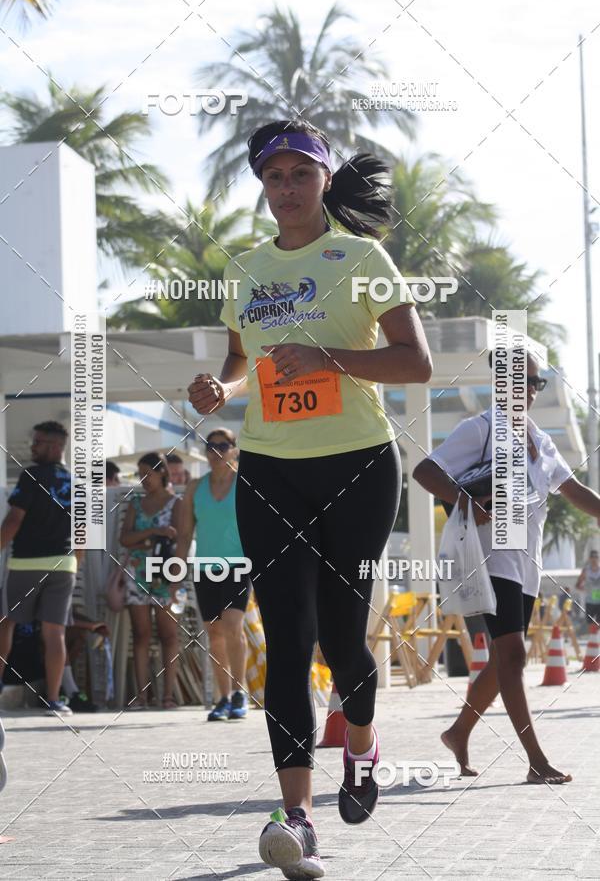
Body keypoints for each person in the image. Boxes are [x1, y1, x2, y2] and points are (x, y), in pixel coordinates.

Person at [188, 119, 432, 880]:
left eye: (300, 174)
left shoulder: (362, 258)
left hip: (359, 466)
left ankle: (360, 743)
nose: (286, 189)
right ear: (262, 189)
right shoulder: (248, 269)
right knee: (287, 641)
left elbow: (415, 364)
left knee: (341, 637)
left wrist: (329, 356)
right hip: (271, 467)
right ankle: (296, 817)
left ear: (324, 181)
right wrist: (217, 389)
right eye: (274, 178)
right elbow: (239, 360)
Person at [413, 350, 600, 784]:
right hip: (490, 558)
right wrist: (466, 499)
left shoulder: (543, 440)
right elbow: (425, 471)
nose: (530, 391)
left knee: (501, 660)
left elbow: (572, 489)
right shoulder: (478, 430)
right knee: (513, 655)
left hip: (525, 564)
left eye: (536, 383)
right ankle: (535, 759)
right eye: (522, 382)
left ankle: (458, 732)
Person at [0, 421, 82, 716]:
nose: (32, 447)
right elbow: (83, 532)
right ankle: (54, 699)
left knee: (6, 622)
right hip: (64, 565)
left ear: (55, 446)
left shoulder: (31, 476)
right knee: (54, 633)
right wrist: (74, 565)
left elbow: (14, 520)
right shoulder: (76, 483)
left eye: (37, 442)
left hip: (26, 563)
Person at [175, 428, 249, 721]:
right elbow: (183, 535)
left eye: (223, 445)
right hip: (205, 568)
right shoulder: (195, 487)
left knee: (233, 627)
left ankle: (240, 692)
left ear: (234, 449)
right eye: (211, 446)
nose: (216, 451)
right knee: (215, 633)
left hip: (238, 565)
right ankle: (224, 698)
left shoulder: (244, 483)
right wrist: (177, 573)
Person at [119, 452, 182, 709]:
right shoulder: (135, 502)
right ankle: (142, 696)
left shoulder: (176, 503)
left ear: (162, 473)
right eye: (140, 473)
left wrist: (142, 540)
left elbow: (179, 539)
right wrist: (154, 533)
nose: (144, 479)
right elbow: (124, 539)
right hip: (137, 574)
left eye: (148, 473)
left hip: (165, 573)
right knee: (141, 634)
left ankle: (167, 696)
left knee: (169, 635)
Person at [575, 549, 600, 626]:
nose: (594, 559)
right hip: (589, 601)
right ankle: (592, 637)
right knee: (590, 624)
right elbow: (577, 585)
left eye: (596, 557)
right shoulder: (586, 570)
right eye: (592, 557)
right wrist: (584, 589)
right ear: (589, 558)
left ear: (598, 558)